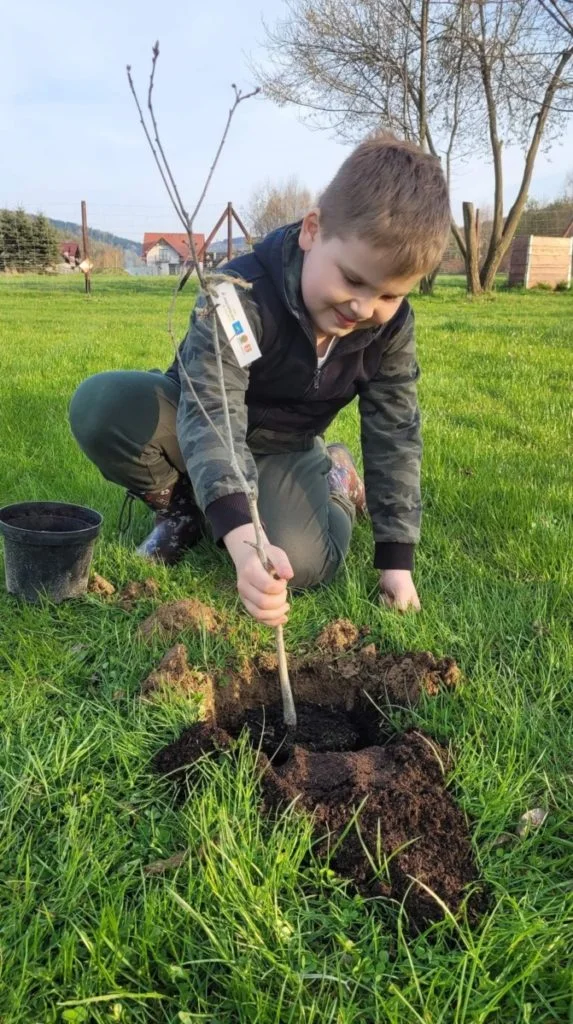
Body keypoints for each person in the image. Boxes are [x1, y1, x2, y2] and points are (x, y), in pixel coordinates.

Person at [69, 133, 451, 627]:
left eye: (389, 295)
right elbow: (215, 416)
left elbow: (395, 435)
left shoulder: (389, 331)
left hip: (283, 447)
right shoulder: (236, 295)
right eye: (353, 279)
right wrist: (244, 541)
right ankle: (184, 511)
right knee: (104, 406)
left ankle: (336, 476)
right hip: (198, 416)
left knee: (302, 563)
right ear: (313, 230)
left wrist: (397, 563)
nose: (363, 308)